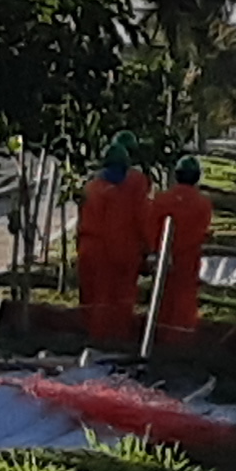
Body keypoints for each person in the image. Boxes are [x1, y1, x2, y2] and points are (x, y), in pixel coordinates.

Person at [76, 142, 154, 353]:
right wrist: (150, 248)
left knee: (93, 297)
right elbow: (143, 221)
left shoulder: (91, 187)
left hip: (90, 250)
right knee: (118, 300)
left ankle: (93, 338)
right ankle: (114, 341)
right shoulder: (133, 187)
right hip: (120, 252)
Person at [145, 158, 211, 352]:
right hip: (188, 258)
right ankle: (181, 337)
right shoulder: (202, 203)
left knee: (162, 294)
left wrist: (155, 250)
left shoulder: (161, 199)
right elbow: (202, 229)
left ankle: (159, 333)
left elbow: (150, 227)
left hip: (164, 255)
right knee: (185, 297)